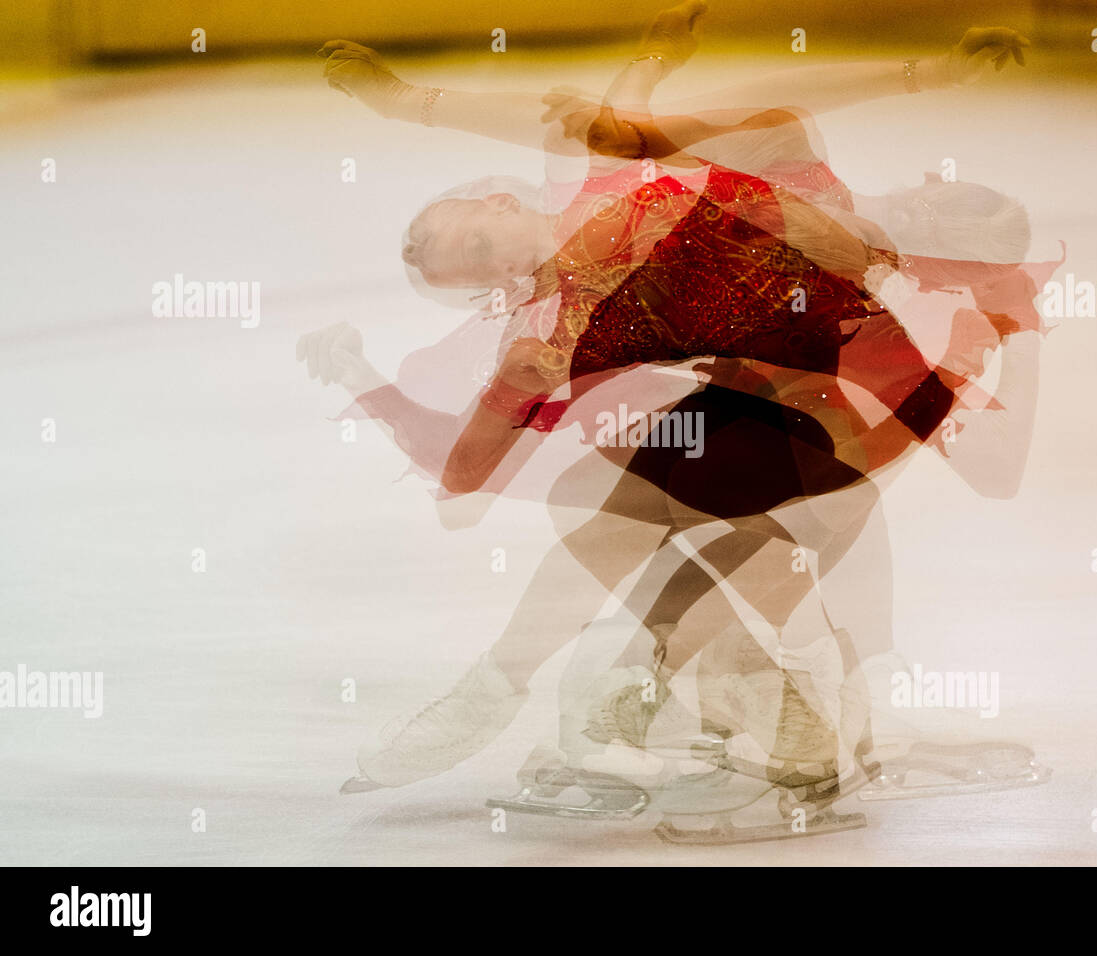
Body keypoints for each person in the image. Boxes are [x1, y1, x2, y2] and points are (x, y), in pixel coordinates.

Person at [300, 5, 1052, 791]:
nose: (922, 212)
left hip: (777, 433)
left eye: (939, 221)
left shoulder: (884, 292)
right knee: (661, 494)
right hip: (712, 421)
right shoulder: (661, 220)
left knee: (756, 493)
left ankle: (723, 690)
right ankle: (722, 691)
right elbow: (636, 121)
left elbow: (656, 120)